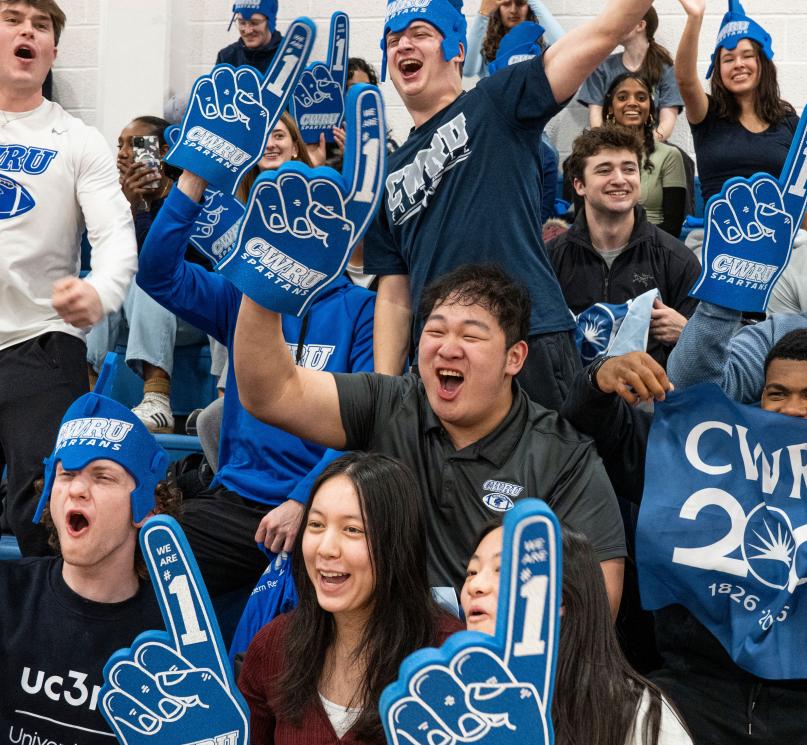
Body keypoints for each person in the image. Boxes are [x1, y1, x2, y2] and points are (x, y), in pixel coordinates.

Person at [233, 262, 626, 612]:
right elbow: (273, 393)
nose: (447, 348)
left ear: (515, 358)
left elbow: (595, 604)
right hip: (384, 655)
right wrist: (271, 275)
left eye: (471, 337)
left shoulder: (563, 456)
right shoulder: (390, 402)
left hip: (491, 668)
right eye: (435, 331)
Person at [366, 0, 654, 411]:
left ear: (457, 49)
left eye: (420, 34)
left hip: (528, 340)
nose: (403, 46)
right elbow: (395, 295)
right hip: (442, 358)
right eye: (394, 40)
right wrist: (384, 391)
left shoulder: (495, 102)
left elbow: (599, 36)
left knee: (550, 472)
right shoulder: (389, 174)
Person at [136, 114, 375, 596]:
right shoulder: (242, 296)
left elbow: (366, 423)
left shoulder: (361, 310)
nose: (292, 229)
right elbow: (157, 274)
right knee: (137, 548)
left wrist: (304, 499)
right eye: (275, 216)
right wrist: (196, 175)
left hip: (318, 512)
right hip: (233, 504)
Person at [560, 325, 807, 744]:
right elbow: (596, 429)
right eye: (777, 393)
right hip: (689, 696)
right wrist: (599, 378)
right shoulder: (708, 456)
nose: (791, 411)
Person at [0, 0, 137, 555]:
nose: (28, 31)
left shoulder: (79, 140)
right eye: (12, 18)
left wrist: (100, 291)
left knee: (44, 513)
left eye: (41, 24)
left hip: (41, 342)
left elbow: (115, 236)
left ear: (53, 50)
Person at [238, 453, 463, 744]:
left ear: (397, 544)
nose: (326, 548)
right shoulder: (274, 644)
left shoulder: (451, 658)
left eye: (352, 530)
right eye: (316, 525)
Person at [0, 391, 179, 741]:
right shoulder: (7, 596)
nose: (77, 489)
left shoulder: (171, 638)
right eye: (66, 475)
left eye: (102, 476)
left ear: (149, 508)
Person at [463, 523, 693, 745]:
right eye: (471, 572)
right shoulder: (450, 698)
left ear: (559, 598)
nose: (475, 585)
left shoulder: (635, 710)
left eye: (501, 570)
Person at [86, 115, 208, 433]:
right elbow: (111, 259)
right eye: (120, 144)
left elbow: (165, 264)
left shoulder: (189, 197)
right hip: (137, 313)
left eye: (136, 144)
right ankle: (86, 396)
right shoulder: (119, 199)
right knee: (98, 282)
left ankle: (157, 399)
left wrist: (139, 206)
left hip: (193, 313)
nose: (124, 153)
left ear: (164, 150)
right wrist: (128, 204)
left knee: (148, 278)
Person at [548, 127, 700, 367]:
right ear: (579, 185)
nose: (620, 179)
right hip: (572, 399)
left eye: (629, 169)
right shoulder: (550, 260)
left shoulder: (676, 259)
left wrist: (687, 332)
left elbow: (710, 357)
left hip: (652, 399)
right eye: (604, 170)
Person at [675, 0, 798, 207]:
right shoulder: (707, 114)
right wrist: (694, 18)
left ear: (762, 63)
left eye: (747, 56)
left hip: (780, 235)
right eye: (728, 59)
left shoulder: (788, 122)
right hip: (719, 234)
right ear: (719, 70)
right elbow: (685, 81)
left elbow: (801, 192)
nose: (739, 64)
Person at [602, 74, 687, 237]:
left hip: (653, 247)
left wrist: (627, 241)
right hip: (603, 244)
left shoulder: (669, 155)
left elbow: (673, 226)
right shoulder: (593, 156)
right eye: (622, 97)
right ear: (611, 108)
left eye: (641, 97)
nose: (632, 103)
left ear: (650, 108)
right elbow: (583, 219)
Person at [578, 7, 682, 141]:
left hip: (652, 146)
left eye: (622, 19)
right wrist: (618, 150)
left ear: (640, 25)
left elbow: (666, 124)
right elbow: (596, 123)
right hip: (611, 147)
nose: (615, 26)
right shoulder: (601, 68)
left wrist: (640, 148)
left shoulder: (666, 69)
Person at [464, 0, 565, 79]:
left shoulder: (541, 44)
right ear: (498, 8)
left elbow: (565, 48)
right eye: (507, 4)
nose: (513, 10)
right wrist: (483, 14)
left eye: (520, 3)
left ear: (529, 8)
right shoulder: (485, 45)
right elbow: (468, 71)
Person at [216, 0, 281, 75]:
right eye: (242, 22)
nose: (247, 31)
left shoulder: (290, 55)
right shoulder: (227, 58)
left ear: (270, 22)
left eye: (254, 23)